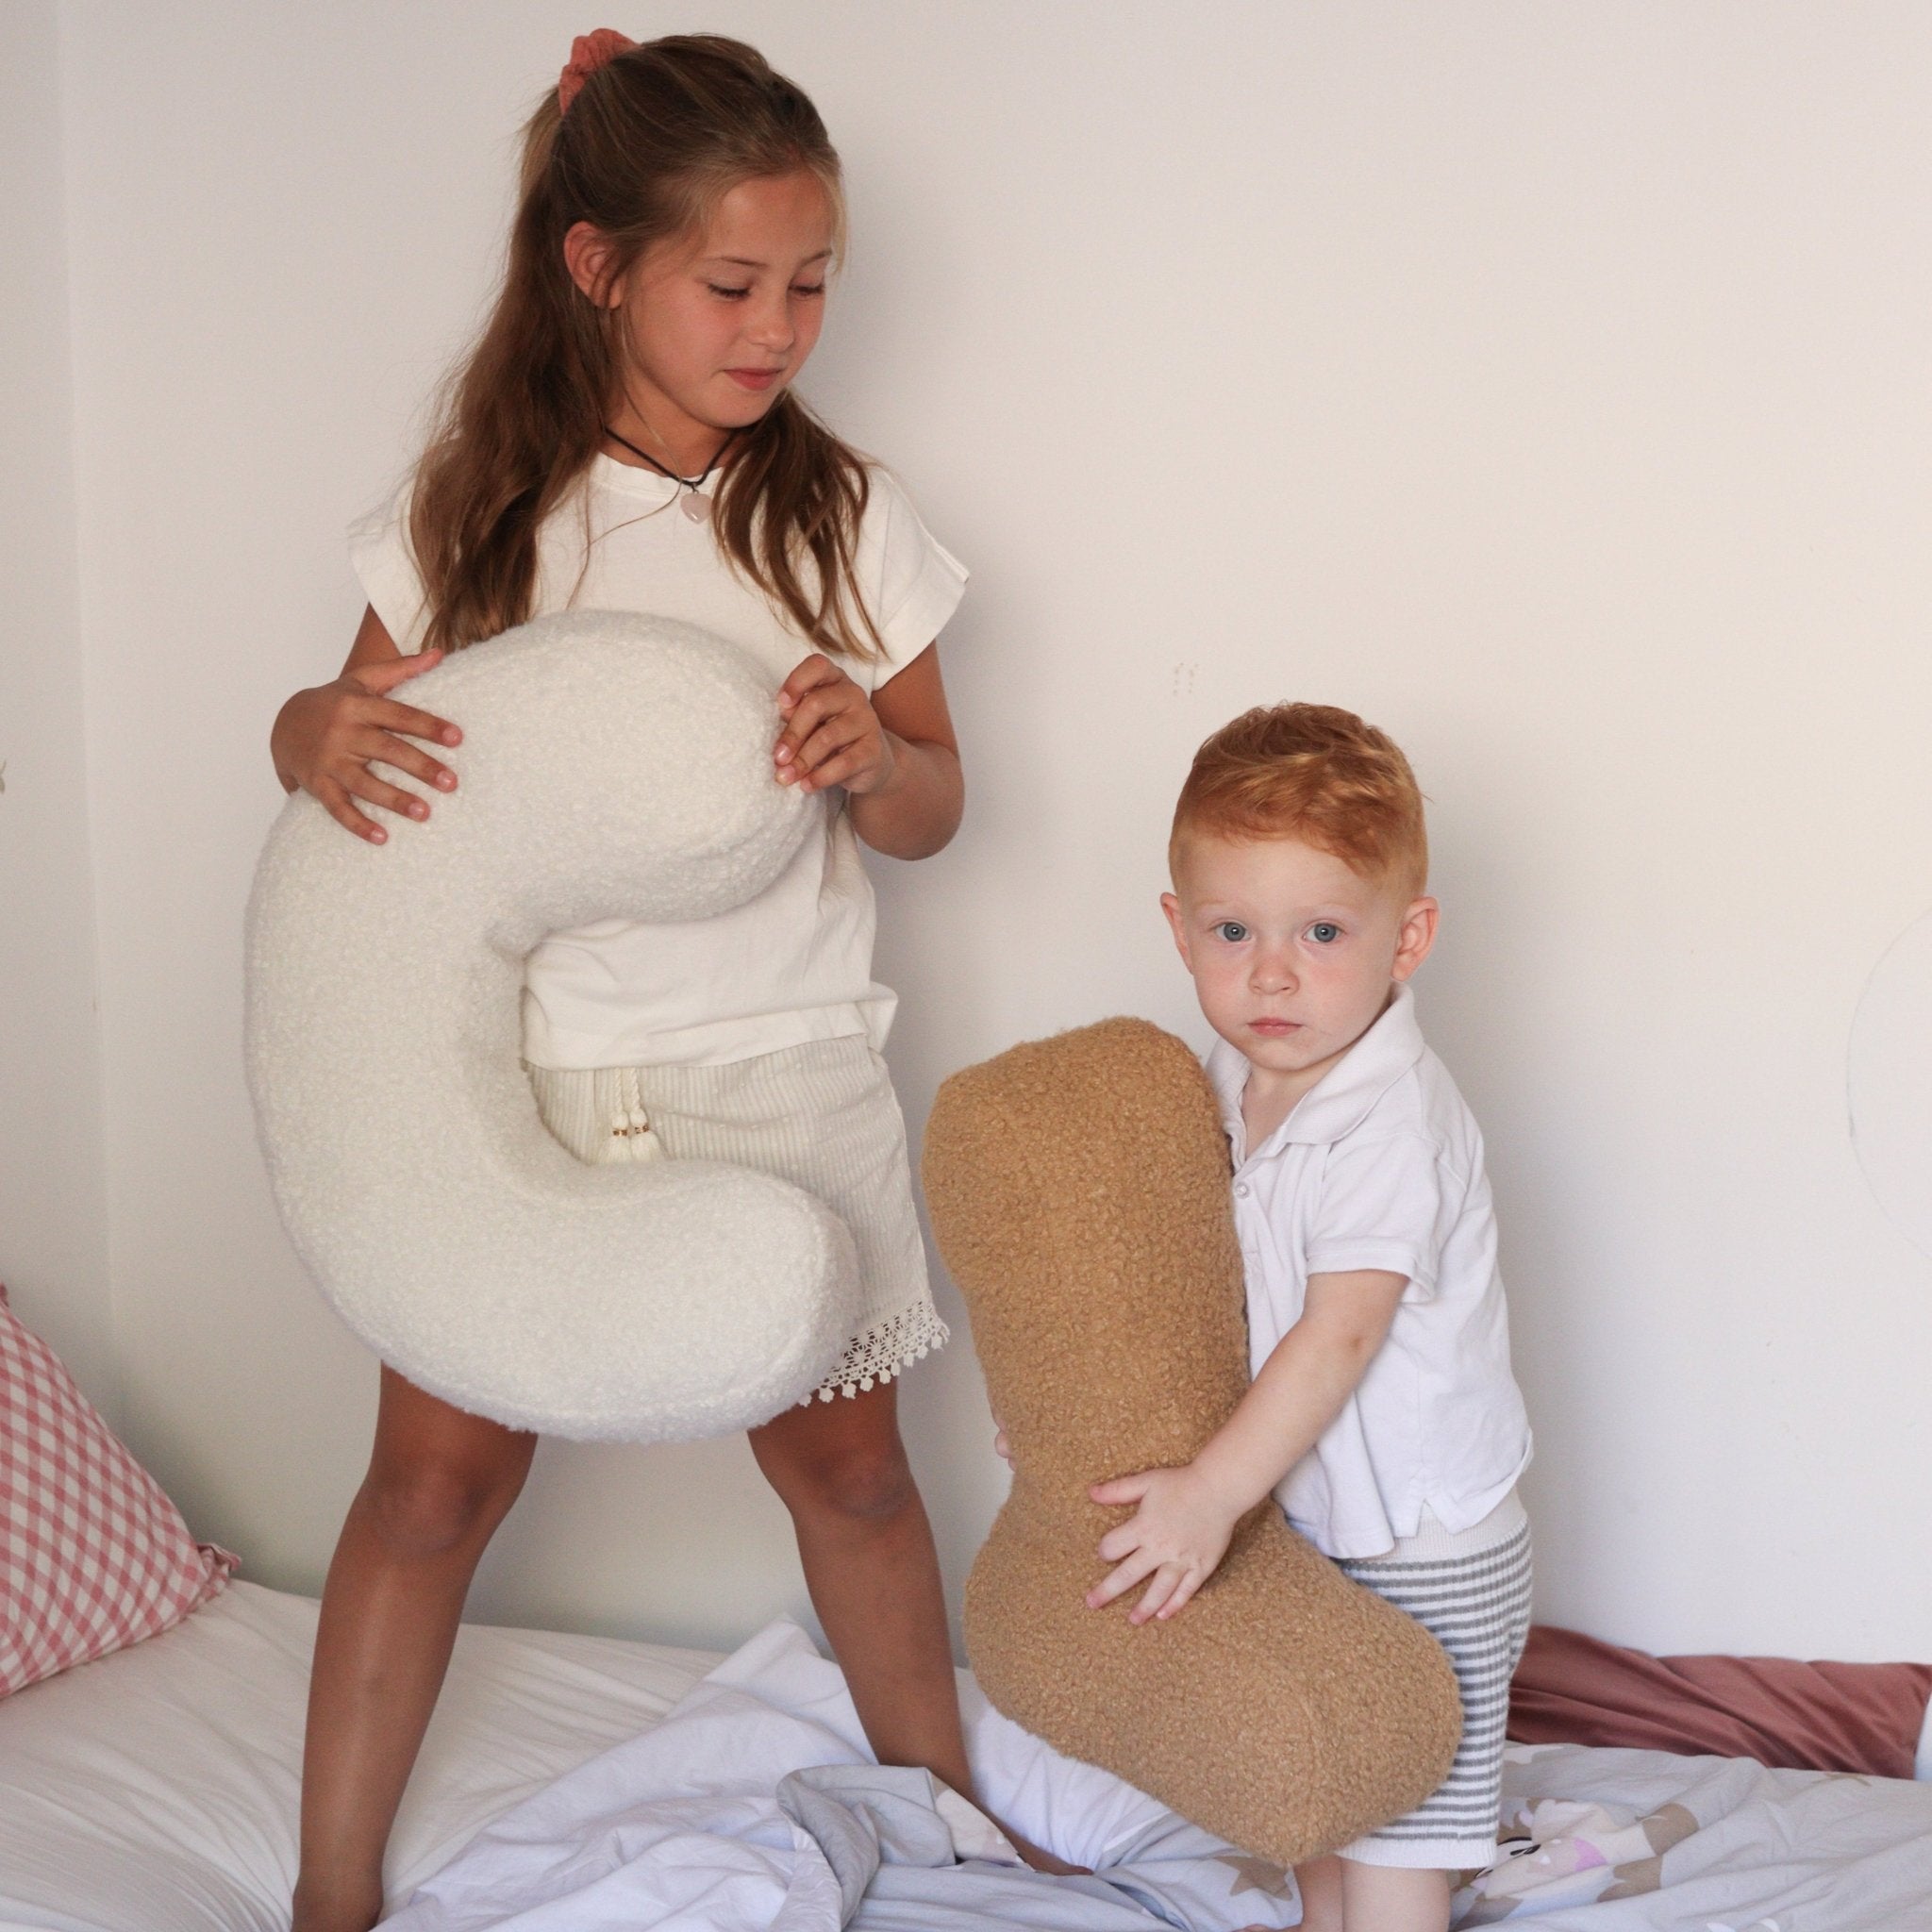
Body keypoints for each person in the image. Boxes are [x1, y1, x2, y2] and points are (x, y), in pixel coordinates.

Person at [269, 33, 1066, 1930]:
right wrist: (301, 728)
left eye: (812, 285)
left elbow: (938, 806)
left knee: (852, 1474)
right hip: (535, 1092)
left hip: (785, 1074)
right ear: (599, 266)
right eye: (735, 284)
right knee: (432, 1487)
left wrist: (873, 757)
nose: (779, 327)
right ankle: (326, 1889)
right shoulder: (480, 515)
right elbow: (349, 758)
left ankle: (951, 1820)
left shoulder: (840, 515)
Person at [1075, 704, 1533, 1932]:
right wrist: (1089, 1418)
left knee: (1395, 1838)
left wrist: (1212, 1494)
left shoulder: (1388, 1122)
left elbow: (1339, 1334)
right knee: (1323, 1800)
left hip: (1425, 1545)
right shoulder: (1233, 1078)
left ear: (1408, 938)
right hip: (1319, 1523)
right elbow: (1197, 1286)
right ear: (1179, 928)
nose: (1271, 973)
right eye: (1233, 930)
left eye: (1323, 932)